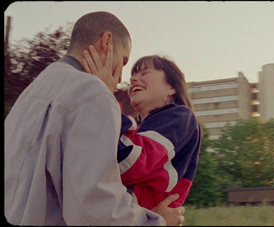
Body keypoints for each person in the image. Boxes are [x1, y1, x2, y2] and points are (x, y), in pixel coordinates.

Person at [4, 11, 184, 226]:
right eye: (123, 62)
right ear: (107, 42)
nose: (119, 78)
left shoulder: (28, 96)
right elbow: (97, 212)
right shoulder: (92, 94)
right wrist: (158, 222)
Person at [82, 51, 201, 210]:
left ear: (171, 86)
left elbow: (128, 162)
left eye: (145, 72)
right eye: (132, 77)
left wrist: (104, 94)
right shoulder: (137, 128)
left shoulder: (181, 117)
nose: (132, 79)